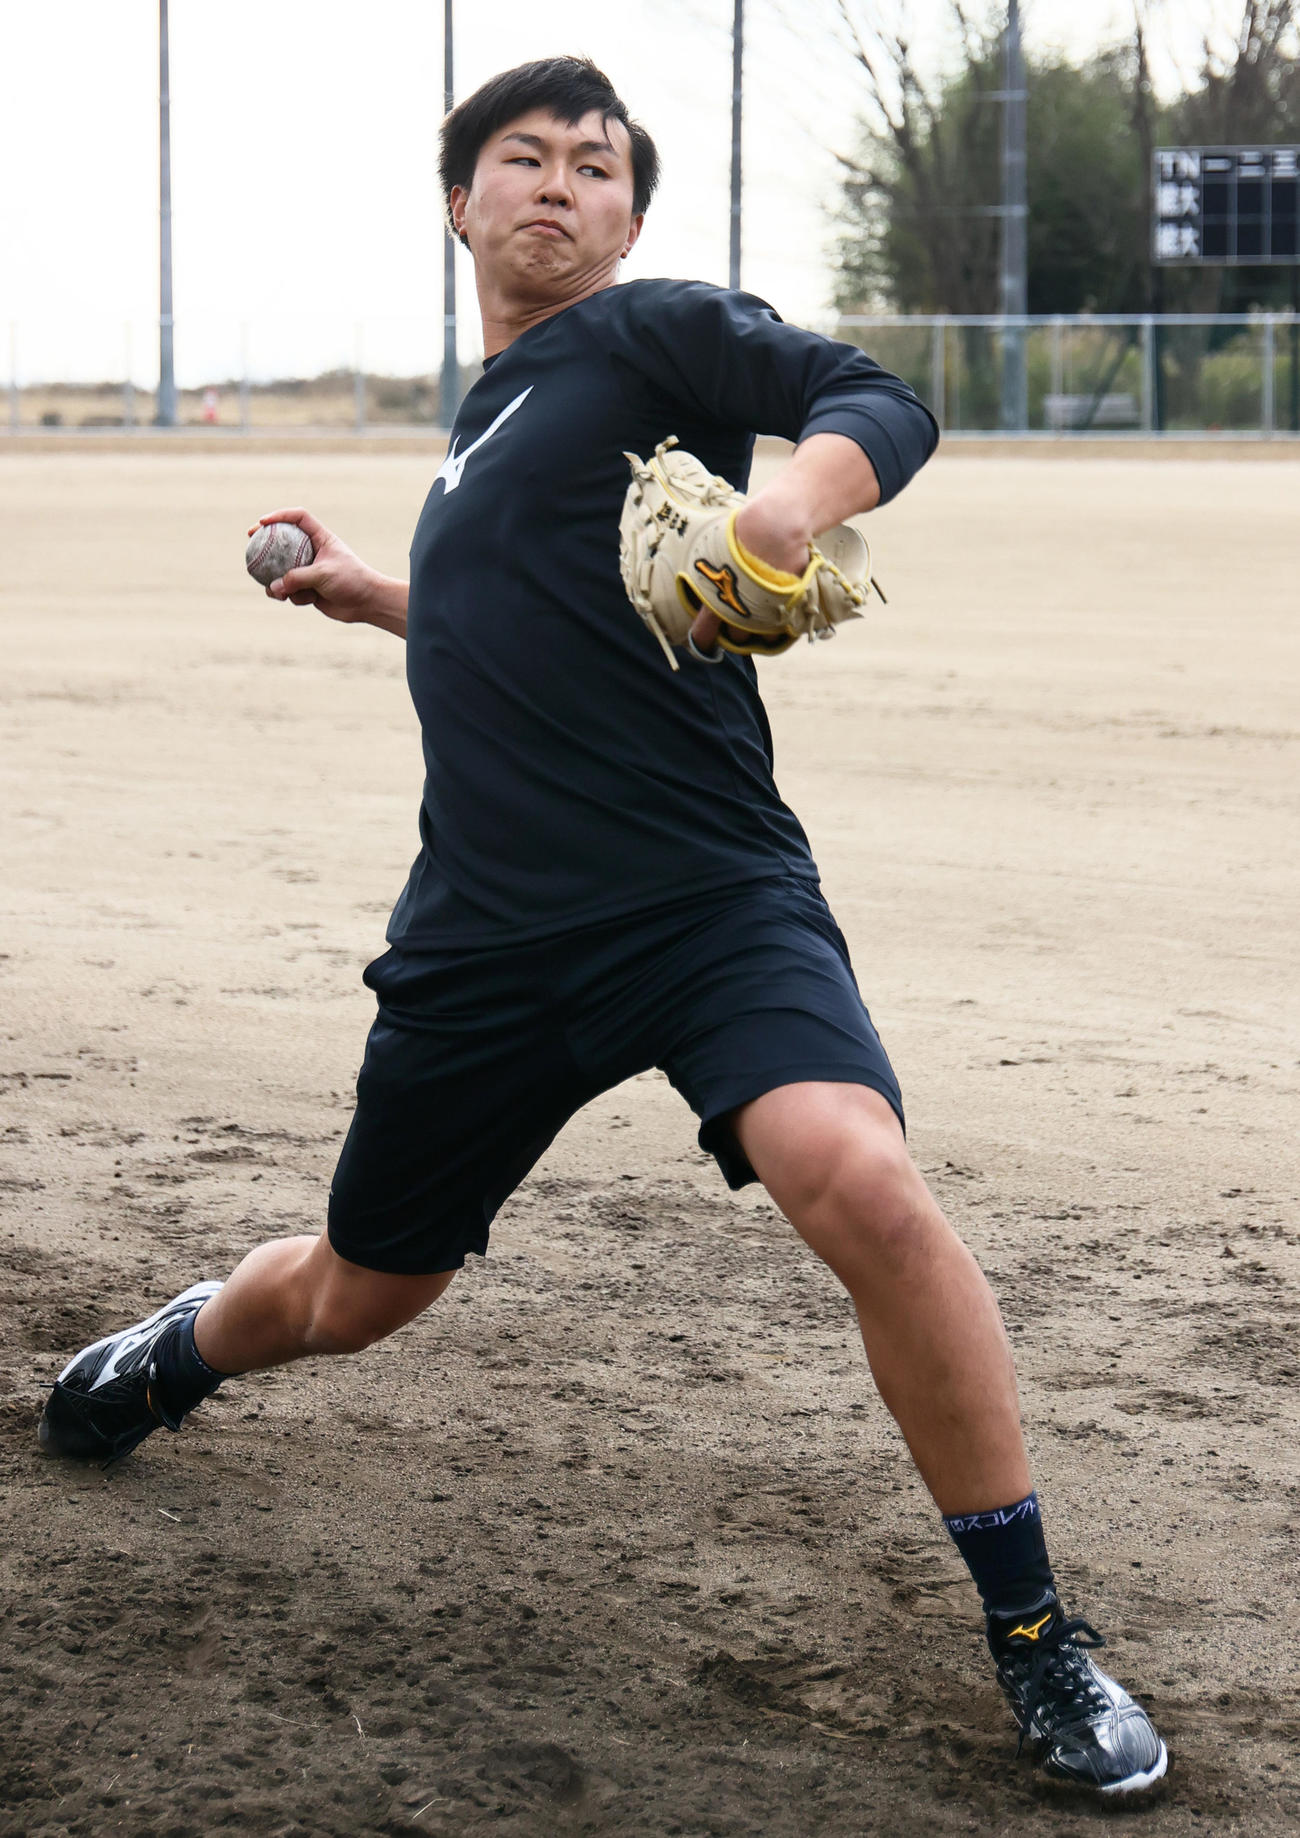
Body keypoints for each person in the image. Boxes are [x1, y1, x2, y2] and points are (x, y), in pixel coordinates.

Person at [40, 56, 1165, 1796]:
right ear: (460, 202)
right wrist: (372, 596)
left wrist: (799, 497)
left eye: (596, 165)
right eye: (523, 157)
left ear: (631, 217)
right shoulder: (478, 430)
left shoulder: (651, 338)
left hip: (707, 892)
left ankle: (1036, 1636)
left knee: (857, 1173)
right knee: (356, 1294)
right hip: (487, 938)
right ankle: (178, 1345)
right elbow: (515, 630)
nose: (560, 182)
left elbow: (874, 394)